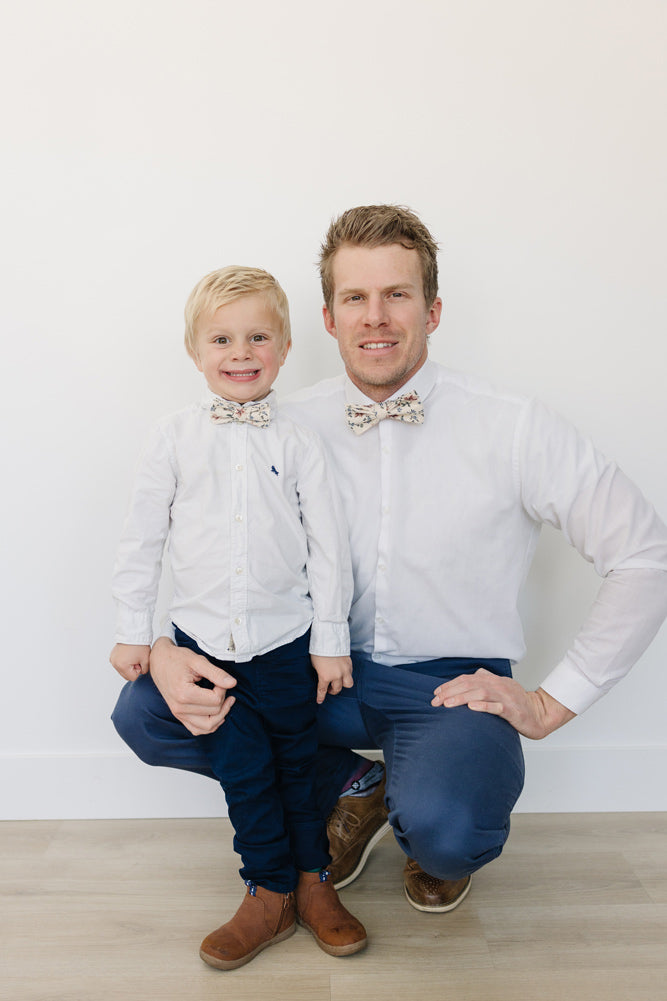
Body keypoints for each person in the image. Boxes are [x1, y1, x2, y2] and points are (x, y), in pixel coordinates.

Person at [114, 207, 667, 922]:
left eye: (397, 294)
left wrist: (550, 701)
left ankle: (420, 814)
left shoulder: (514, 425)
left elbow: (644, 555)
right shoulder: (274, 423)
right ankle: (351, 787)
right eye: (355, 297)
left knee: (449, 836)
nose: (374, 317)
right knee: (149, 710)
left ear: (432, 310)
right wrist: (162, 646)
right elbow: (214, 545)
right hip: (307, 671)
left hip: (447, 688)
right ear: (327, 317)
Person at [110, 265, 367, 970]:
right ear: (194, 351)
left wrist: (330, 640)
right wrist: (133, 629)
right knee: (244, 770)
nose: (241, 352)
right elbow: (142, 539)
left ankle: (314, 882)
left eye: (258, 337)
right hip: (204, 651)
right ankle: (268, 889)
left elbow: (329, 548)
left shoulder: (300, 441)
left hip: (285, 644)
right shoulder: (172, 438)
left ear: (284, 347)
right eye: (221, 338)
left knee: (294, 765)